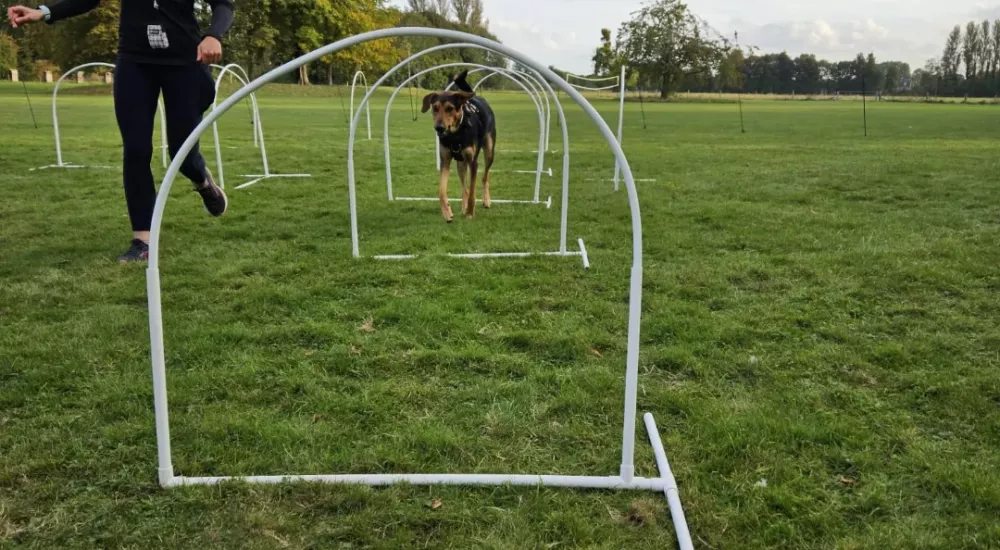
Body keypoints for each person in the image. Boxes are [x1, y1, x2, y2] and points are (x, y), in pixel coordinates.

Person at [7, 0, 234, 263]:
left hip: (185, 62)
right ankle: (143, 241)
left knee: (182, 155)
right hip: (135, 62)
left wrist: (213, 35)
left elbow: (223, 5)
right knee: (136, 150)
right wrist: (43, 12)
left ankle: (203, 183)